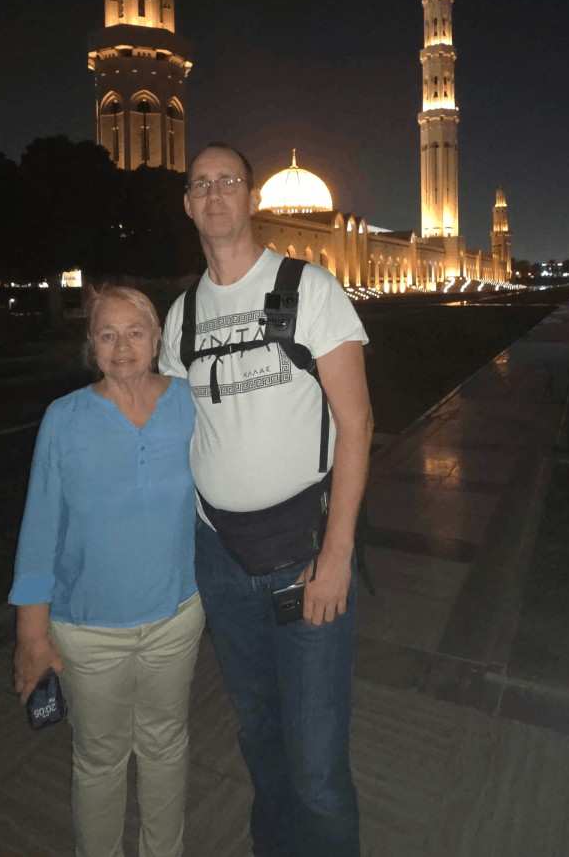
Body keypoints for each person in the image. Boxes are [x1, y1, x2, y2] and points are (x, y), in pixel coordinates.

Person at [159, 142, 373, 857]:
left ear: (253, 198)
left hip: (302, 558)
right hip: (222, 562)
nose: (214, 194)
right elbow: (172, 429)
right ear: (187, 204)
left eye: (228, 181)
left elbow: (357, 424)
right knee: (259, 736)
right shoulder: (183, 315)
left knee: (316, 765)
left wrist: (337, 555)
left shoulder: (308, 288)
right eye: (200, 184)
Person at [11, 284, 202, 857]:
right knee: (100, 759)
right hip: (88, 630)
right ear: (90, 344)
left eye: (135, 333)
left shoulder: (190, 403)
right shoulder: (64, 418)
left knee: (166, 745)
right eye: (107, 335)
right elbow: (40, 528)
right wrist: (31, 636)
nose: (122, 348)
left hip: (175, 617)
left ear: (158, 338)